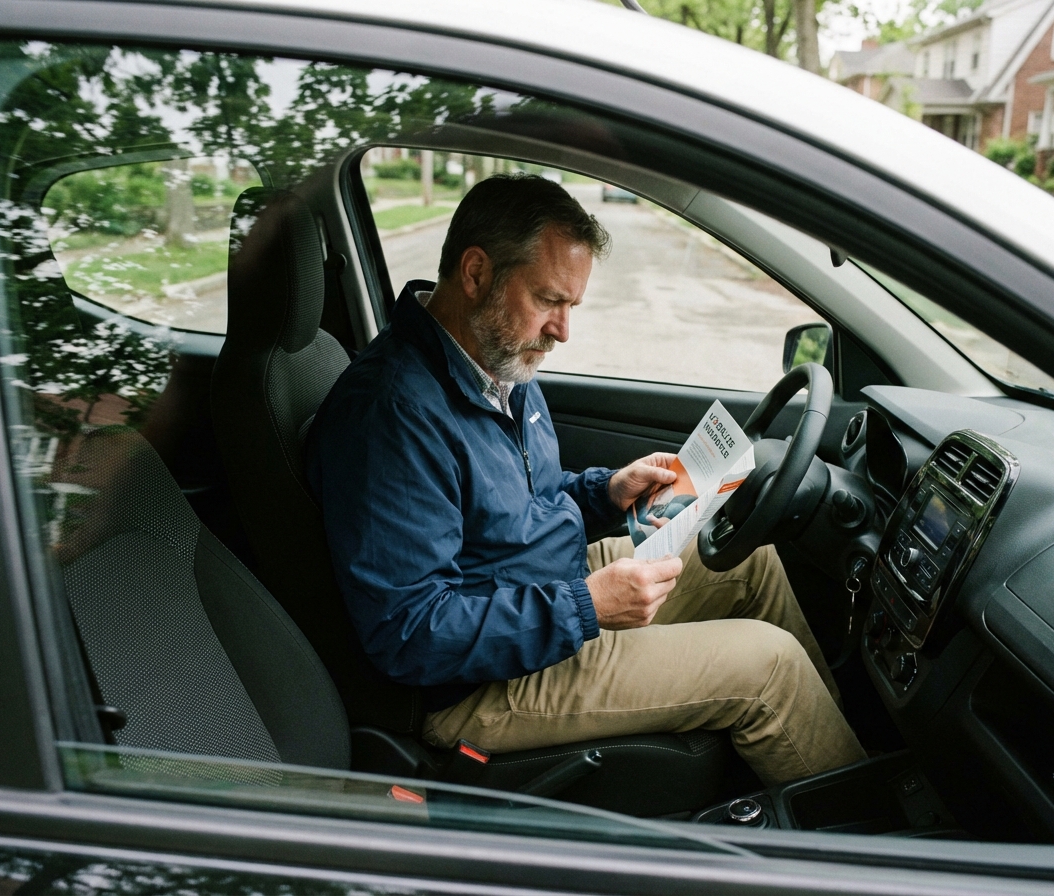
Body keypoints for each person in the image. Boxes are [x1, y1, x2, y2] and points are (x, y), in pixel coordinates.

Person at [305, 174, 865, 785]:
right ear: (475, 273)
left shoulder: (493, 359)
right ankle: (868, 842)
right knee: (770, 668)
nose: (562, 331)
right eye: (550, 300)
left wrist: (604, 492)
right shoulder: (393, 414)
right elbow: (410, 631)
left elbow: (519, 505)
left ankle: (840, 755)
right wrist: (586, 607)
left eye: (572, 306)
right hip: (481, 685)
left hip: (544, 590)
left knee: (751, 563)